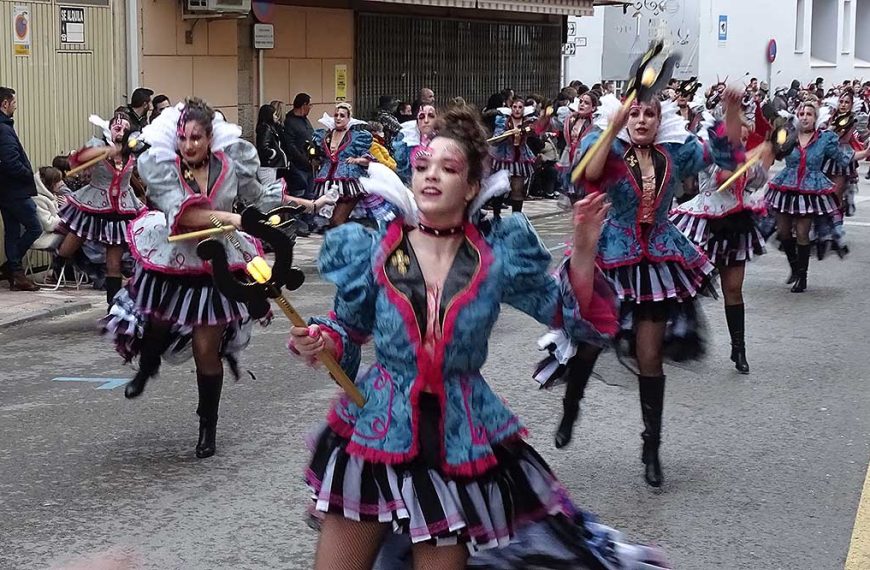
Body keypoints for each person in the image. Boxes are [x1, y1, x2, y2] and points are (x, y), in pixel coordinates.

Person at [290, 104, 667, 569]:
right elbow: (346, 328)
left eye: (447, 169)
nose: (430, 176)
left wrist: (585, 247)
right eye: (422, 167)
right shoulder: (375, 249)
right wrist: (321, 341)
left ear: (470, 187)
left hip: (459, 435)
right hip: (377, 428)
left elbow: (569, 315)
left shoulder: (496, 256)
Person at [552, 90, 745, 487]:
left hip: (657, 256)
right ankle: (572, 406)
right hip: (611, 254)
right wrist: (615, 126)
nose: (641, 120)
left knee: (649, 355)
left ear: (661, 119)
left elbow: (725, 157)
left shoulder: (677, 151)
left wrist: (731, 109)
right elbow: (586, 172)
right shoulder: (604, 142)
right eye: (635, 113)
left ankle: (651, 445)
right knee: (590, 340)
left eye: (649, 114)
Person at [102, 97, 292, 459]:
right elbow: (186, 217)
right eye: (184, 138)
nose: (189, 145)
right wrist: (236, 220)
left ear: (210, 139)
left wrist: (286, 207)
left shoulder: (230, 163)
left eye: (197, 138)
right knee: (156, 324)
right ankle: (148, 367)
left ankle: (208, 424)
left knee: (207, 349)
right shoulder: (162, 166)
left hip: (217, 261)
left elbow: (255, 198)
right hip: (173, 256)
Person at [671, 123, 776, 374]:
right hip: (705, 222)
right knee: (688, 284)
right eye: (734, 126)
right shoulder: (711, 154)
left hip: (736, 223)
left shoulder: (748, 156)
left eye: (743, 127)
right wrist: (758, 151)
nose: (740, 131)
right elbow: (721, 175)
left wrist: (768, 152)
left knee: (733, 289)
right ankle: (676, 334)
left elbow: (757, 180)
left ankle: (738, 348)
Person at [765, 100, 868, 292]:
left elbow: (842, 157)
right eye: (801, 113)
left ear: (815, 118)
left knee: (803, 232)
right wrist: (778, 131)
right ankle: (795, 267)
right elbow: (778, 151)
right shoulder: (788, 134)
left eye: (809, 114)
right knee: (784, 231)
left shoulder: (824, 139)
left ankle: (802, 277)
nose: (804, 117)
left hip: (810, 188)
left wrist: (865, 153)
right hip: (786, 186)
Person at [54, 112, 145, 306]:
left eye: (125, 129)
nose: (121, 132)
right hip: (94, 202)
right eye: (117, 128)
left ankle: (113, 308)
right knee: (77, 235)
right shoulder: (98, 146)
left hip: (121, 208)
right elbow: (75, 161)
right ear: (109, 129)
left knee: (114, 263)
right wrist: (103, 152)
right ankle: (60, 257)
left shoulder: (133, 152)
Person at [0, 87, 41, 291]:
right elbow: (9, 161)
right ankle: (13, 267)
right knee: (35, 227)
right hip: (15, 191)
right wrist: (27, 173)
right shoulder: (3, 128)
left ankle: (15, 272)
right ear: (5, 104)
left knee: (12, 231)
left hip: (5, 191)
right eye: (13, 102)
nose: (15, 105)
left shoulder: (4, 126)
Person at [312, 102, 372, 226]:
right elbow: (320, 157)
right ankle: (348, 240)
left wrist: (357, 160)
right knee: (331, 221)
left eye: (342, 115)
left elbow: (368, 159)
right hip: (328, 182)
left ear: (349, 119)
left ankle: (349, 240)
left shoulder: (356, 137)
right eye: (336, 115)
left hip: (349, 184)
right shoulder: (325, 135)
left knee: (337, 220)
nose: (338, 118)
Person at [489, 97, 539, 214]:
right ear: (510, 108)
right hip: (504, 157)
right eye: (514, 107)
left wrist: (527, 130)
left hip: (520, 158)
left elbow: (535, 131)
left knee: (518, 189)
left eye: (520, 107)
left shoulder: (528, 121)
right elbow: (496, 138)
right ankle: (496, 216)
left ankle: (517, 217)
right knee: (501, 188)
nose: (517, 110)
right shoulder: (503, 120)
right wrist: (507, 133)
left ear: (524, 109)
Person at [393, 102, 437, 184]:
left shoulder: (444, 140)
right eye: (421, 117)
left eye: (431, 116)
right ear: (417, 120)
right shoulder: (407, 142)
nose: (426, 121)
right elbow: (402, 171)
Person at [283, 93, 315, 197]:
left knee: (311, 194)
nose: (310, 108)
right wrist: (304, 160)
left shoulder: (305, 120)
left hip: (311, 165)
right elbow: (291, 146)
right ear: (304, 105)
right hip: (298, 166)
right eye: (310, 105)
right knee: (299, 194)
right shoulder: (290, 122)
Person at [255, 104, 288, 185]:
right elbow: (263, 147)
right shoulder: (265, 128)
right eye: (274, 114)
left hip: (271, 166)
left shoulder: (270, 127)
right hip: (268, 167)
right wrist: (273, 153)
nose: (276, 117)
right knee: (269, 190)